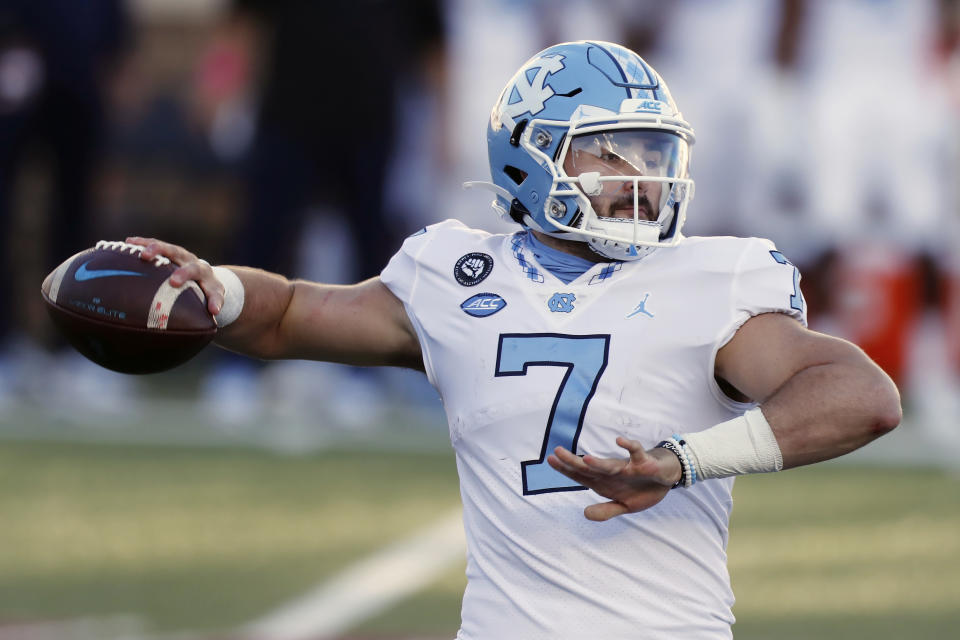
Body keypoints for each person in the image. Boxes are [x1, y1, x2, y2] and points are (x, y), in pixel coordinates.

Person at [127, 41, 900, 639]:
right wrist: (215, 288)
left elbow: (861, 397)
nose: (646, 180)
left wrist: (684, 462)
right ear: (530, 156)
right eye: (614, 152)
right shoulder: (452, 274)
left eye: (657, 155)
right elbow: (290, 312)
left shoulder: (714, 277)